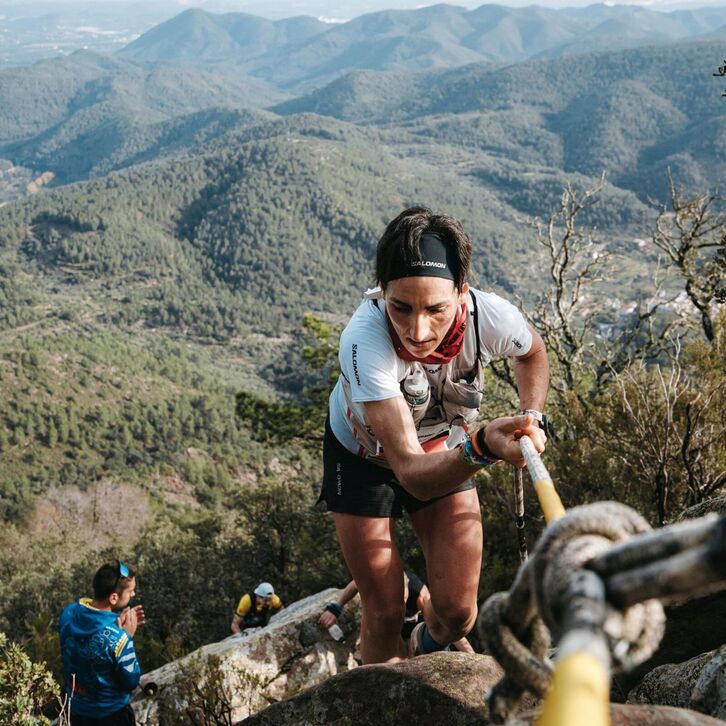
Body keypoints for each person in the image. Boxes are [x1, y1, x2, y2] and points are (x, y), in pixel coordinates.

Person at [318, 207, 549, 664]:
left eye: (436, 309)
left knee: (458, 613)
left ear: (462, 292)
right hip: (362, 459)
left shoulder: (490, 317)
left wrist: (532, 415)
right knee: (382, 610)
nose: (417, 330)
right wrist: (482, 446)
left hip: (441, 447)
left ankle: (421, 645)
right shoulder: (364, 340)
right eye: (400, 307)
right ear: (381, 292)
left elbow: (533, 352)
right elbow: (411, 473)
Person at [59, 560, 144, 725]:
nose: (133, 594)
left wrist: (115, 626)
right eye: (131, 591)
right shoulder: (119, 639)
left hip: (74, 709)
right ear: (113, 597)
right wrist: (126, 637)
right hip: (110, 715)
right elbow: (130, 682)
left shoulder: (68, 612)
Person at [318, 570, 475, 652]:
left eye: (401, 599)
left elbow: (445, 626)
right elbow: (356, 583)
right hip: (388, 623)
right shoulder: (382, 580)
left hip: (414, 627)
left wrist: (470, 654)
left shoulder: (420, 596)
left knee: (416, 647)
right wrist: (334, 609)